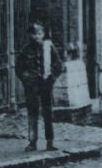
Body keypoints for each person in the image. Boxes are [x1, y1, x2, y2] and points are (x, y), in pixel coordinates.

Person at [15, 21, 65, 151]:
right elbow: (19, 68)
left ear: (43, 34)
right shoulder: (25, 50)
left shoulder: (49, 48)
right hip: (32, 86)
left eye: (39, 33)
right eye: (34, 34)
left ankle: (50, 142)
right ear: (30, 35)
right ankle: (32, 142)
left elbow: (59, 65)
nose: (37, 37)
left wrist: (52, 78)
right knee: (32, 113)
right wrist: (27, 79)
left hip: (46, 84)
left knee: (48, 113)